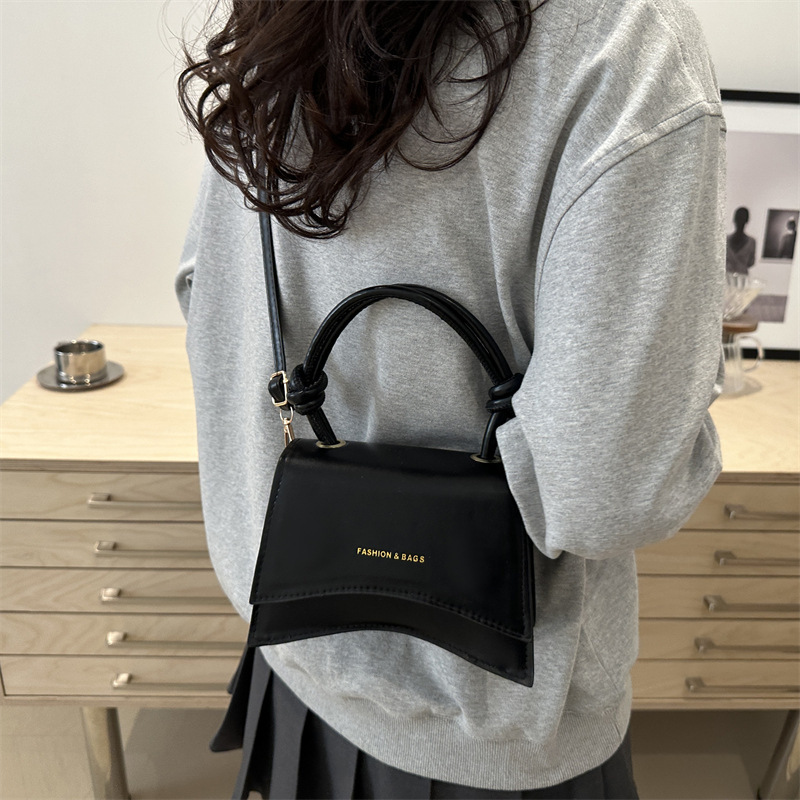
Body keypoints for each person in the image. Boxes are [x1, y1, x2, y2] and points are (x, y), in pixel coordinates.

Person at [175, 0, 726, 797]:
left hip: (298, 637)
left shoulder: (280, 16)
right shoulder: (624, 45)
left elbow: (205, 290)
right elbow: (608, 493)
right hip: (492, 720)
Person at [726, 207, 757, 274]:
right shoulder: (725, 240)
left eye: (742, 219)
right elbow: (751, 262)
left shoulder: (751, 242)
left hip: (741, 277)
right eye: (739, 219)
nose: (740, 222)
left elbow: (751, 262)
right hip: (728, 276)